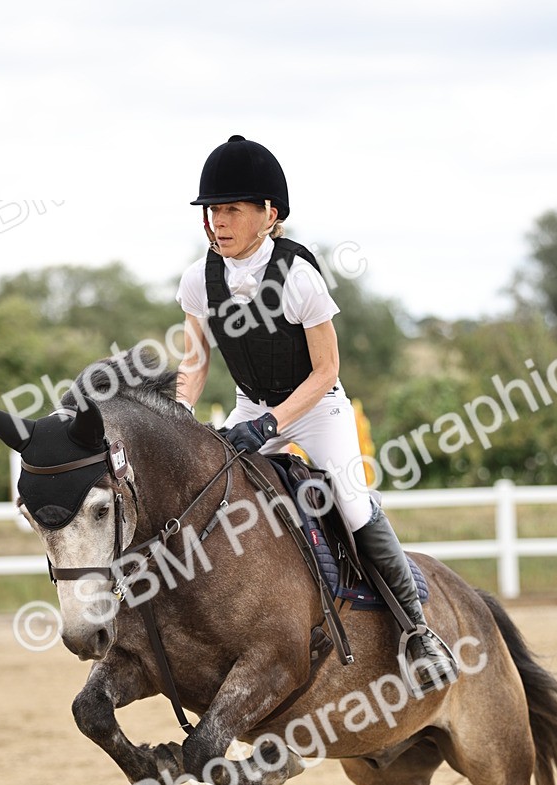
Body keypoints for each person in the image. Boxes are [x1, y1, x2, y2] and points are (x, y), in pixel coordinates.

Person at [175, 134, 455, 692]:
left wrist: (273, 425)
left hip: (317, 409)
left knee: (351, 503)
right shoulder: (197, 280)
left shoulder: (299, 275)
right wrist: (180, 413)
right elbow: (195, 361)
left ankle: (418, 632)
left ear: (268, 214)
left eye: (231, 210)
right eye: (211, 211)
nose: (217, 222)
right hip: (251, 406)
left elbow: (326, 371)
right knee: (201, 492)